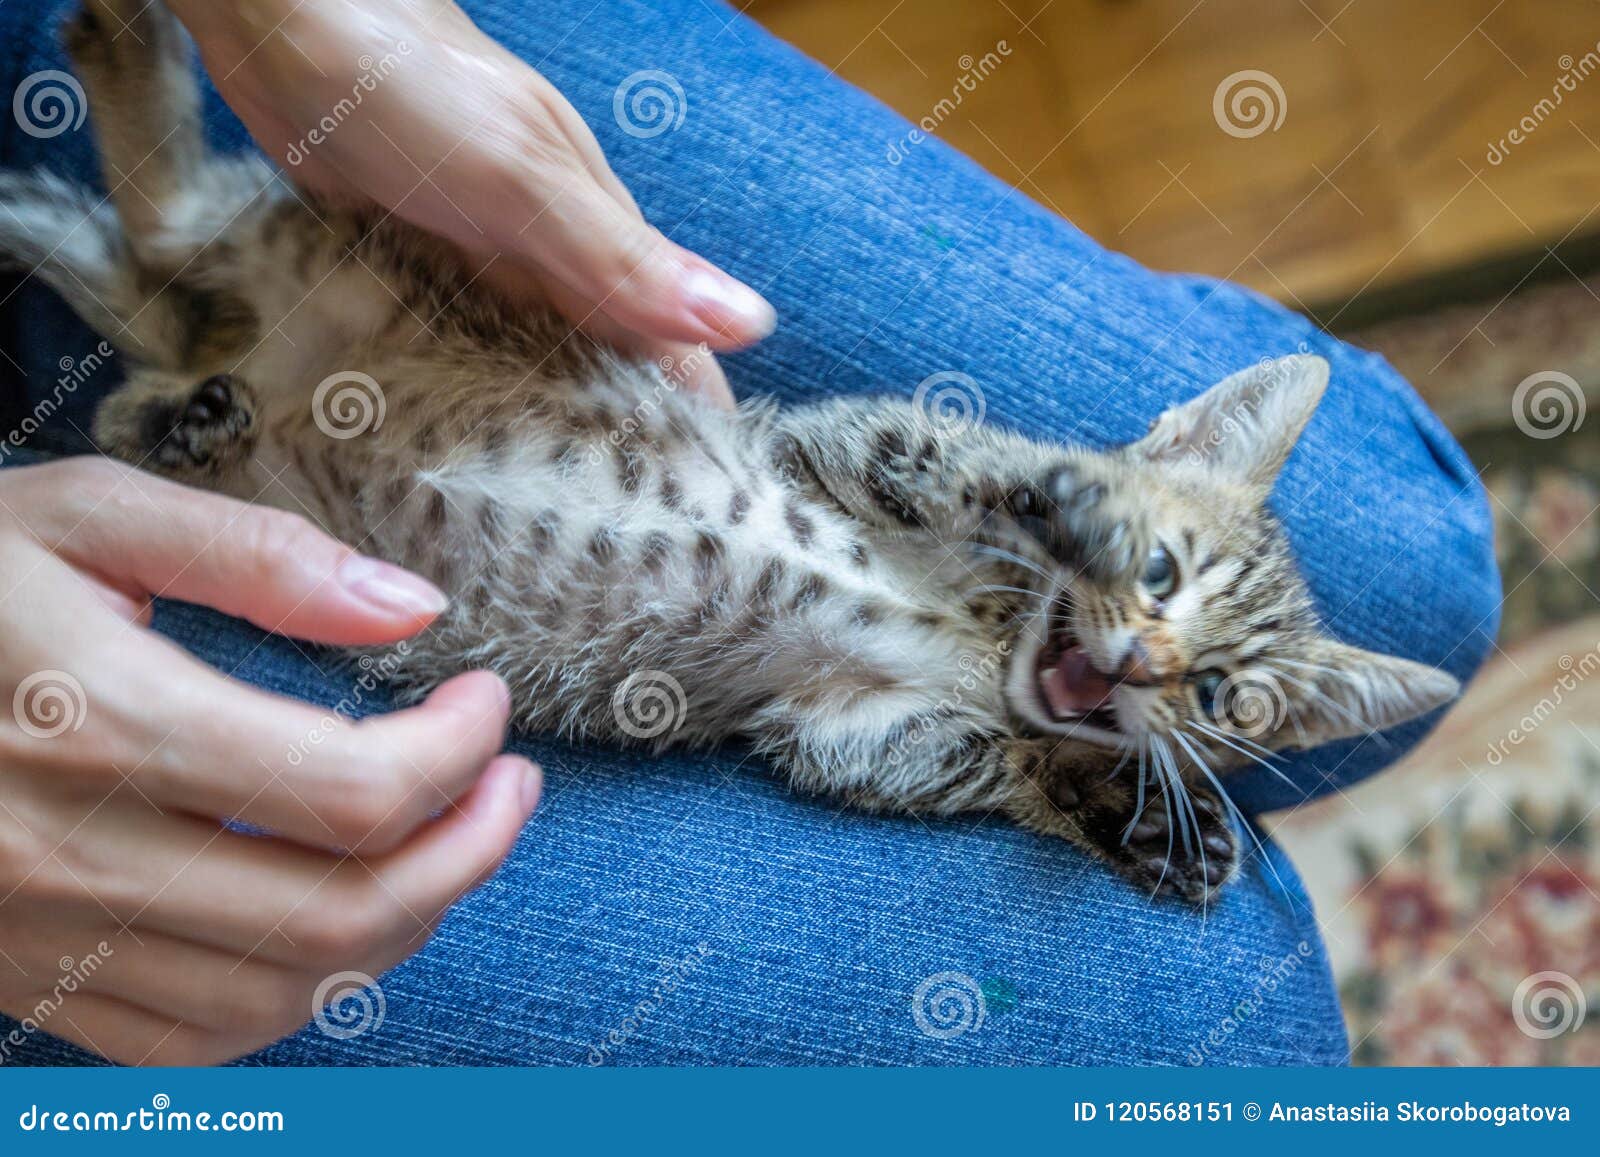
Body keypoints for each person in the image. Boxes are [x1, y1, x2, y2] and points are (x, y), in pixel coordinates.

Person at [0, 0, 1498, 1066]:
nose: (1156, 656)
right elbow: (858, 453)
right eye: (1162, 568)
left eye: (1214, 693)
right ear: (1161, 460)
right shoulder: (955, 525)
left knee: (1416, 568)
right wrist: (1028, 495)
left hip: (377, 536)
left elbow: (832, 747)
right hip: (455, 370)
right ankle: (160, 258)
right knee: (1225, 1028)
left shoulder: (926, 712)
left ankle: (166, 396)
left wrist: (1062, 782)